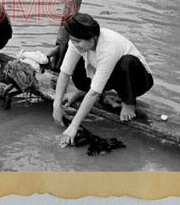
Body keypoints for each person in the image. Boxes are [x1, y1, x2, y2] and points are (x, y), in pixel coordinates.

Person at [52, 12, 153, 146]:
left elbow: (94, 93)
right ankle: (82, 91)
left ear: (92, 38)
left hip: (136, 81)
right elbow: (65, 73)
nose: (75, 44)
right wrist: (56, 105)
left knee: (126, 62)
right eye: (73, 40)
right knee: (68, 54)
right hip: (107, 76)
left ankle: (128, 102)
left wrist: (74, 126)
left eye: (78, 41)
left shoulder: (108, 47)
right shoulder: (76, 43)